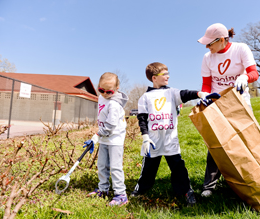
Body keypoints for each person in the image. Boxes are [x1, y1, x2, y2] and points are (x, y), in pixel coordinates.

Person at [130, 62, 212, 206]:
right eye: (164, 74)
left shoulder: (171, 92)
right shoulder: (145, 97)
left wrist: (200, 94)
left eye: (168, 73)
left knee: (178, 168)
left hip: (170, 140)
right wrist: (145, 137)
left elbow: (185, 94)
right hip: (153, 141)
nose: (168, 76)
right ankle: (140, 190)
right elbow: (142, 119)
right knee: (148, 169)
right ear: (154, 78)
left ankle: (186, 191)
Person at [197, 23, 259, 197]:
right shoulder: (207, 57)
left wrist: (245, 77)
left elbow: (254, 72)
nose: (207, 47)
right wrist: (205, 95)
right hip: (217, 103)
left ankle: (249, 179)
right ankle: (210, 185)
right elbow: (207, 83)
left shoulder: (241, 49)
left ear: (222, 40)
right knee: (216, 143)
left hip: (239, 102)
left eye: (210, 44)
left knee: (246, 140)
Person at [84, 72, 129, 206]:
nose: (104, 93)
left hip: (115, 139)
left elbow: (110, 126)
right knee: (102, 165)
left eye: (109, 91)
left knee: (115, 167)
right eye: (101, 90)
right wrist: (99, 136)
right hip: (104, 138)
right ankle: (103, 189)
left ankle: (121, 194)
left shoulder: (114, 105)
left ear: (117, 89)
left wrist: (96, 136)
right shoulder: (101, 98)